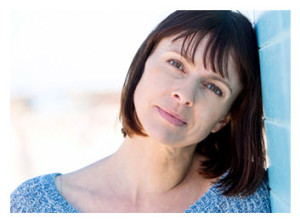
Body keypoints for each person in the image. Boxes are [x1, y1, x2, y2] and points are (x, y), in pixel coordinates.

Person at [10, 10, 271, 213]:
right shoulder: (33, 204)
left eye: (214, 87)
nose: (185, 95)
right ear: (142, 64)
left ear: (224, 117)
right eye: (176, 64)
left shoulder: (247, 203)